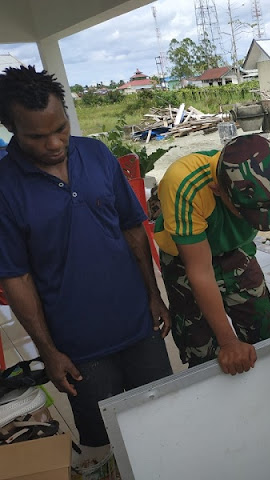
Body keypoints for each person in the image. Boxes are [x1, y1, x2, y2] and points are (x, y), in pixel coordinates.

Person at [0, 66, 173, 447]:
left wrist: (153, 295)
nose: (55, 143)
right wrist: (48, 351)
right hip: (78, 349)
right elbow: (16, 277)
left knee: (162, 420)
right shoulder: (5, 187)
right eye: (37, 136)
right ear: (11, 129)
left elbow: (132, 228)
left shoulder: (95, 154)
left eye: (60, 128)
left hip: (138, 326)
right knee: (106, 441)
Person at [154, 133, 270, 372]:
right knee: (203, 349)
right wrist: (229, 341)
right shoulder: (183, 183)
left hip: (237, 249)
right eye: (250, 212)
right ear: (218, 190)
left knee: (265, 332)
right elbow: (200, 271)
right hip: (185, 259)